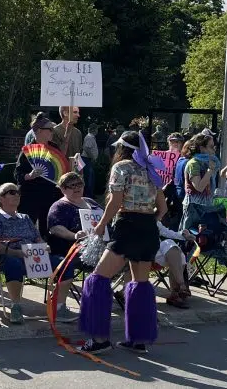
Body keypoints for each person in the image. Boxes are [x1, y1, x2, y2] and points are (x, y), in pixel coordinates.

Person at [77, 130, 167, 354]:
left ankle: (99, 339)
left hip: (127, 225)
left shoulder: (121, 167)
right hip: (148, 229)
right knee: (141, 284)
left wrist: (100, 226)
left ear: (121, 148)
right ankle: (139, 340)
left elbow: (115, 202)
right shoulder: (150, 168)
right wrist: (149, 221)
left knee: (97, 279)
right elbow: (163, 208)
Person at [46, 172, 102, 322]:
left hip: (99, 245)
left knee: (126, 255)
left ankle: (114, 298)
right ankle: (60, 308)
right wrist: (74, 235)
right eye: (72, 186)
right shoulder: (59, 206)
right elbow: (55, 228)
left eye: (79, 184)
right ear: (63, 189)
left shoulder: (92, 202)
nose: (77, 188)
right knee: (68, 266)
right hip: (70, 249)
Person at [0, 182, 41, 324]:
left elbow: (37, 237)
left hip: (33, 255)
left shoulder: (26, 218)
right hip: (6, 255)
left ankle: (60, 306)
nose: (16, 194)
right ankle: (16, 306)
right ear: (1, 199)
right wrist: (16, 253)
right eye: (11, 192)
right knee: (14, 264)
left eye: (17, 192)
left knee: (61, 263)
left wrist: (43, 246)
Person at [13, 112, 64, 237]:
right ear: (39, 131)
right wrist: (29, 176)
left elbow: (60, 169)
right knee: (26, 230)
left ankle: (49, 254)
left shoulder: (54, 147)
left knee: (48, 230)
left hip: (50, 195)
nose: (53, 132)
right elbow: (17, 174)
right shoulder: (28, 149)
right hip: (30, 196)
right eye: (50, 129)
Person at [180, 133, 218, 231]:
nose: (214, 150)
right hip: (193, 208)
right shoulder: (194, 163)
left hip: (206, 206)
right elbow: (199, 187)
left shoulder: (207, 162)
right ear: (201, 148)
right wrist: (210, 170)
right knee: (190, 239)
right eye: (211, 147)